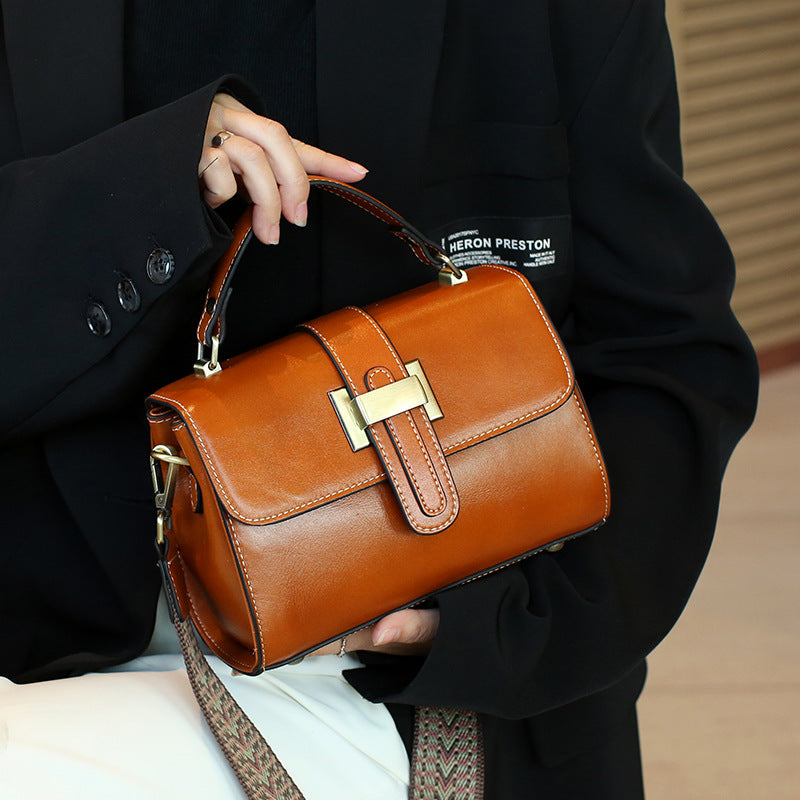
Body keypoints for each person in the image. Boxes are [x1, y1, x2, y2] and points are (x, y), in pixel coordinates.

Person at [0, 1, 759, 798]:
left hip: (442, 671)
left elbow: (667, 353)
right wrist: (144, 181)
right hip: (52, 674)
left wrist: (514, 625)